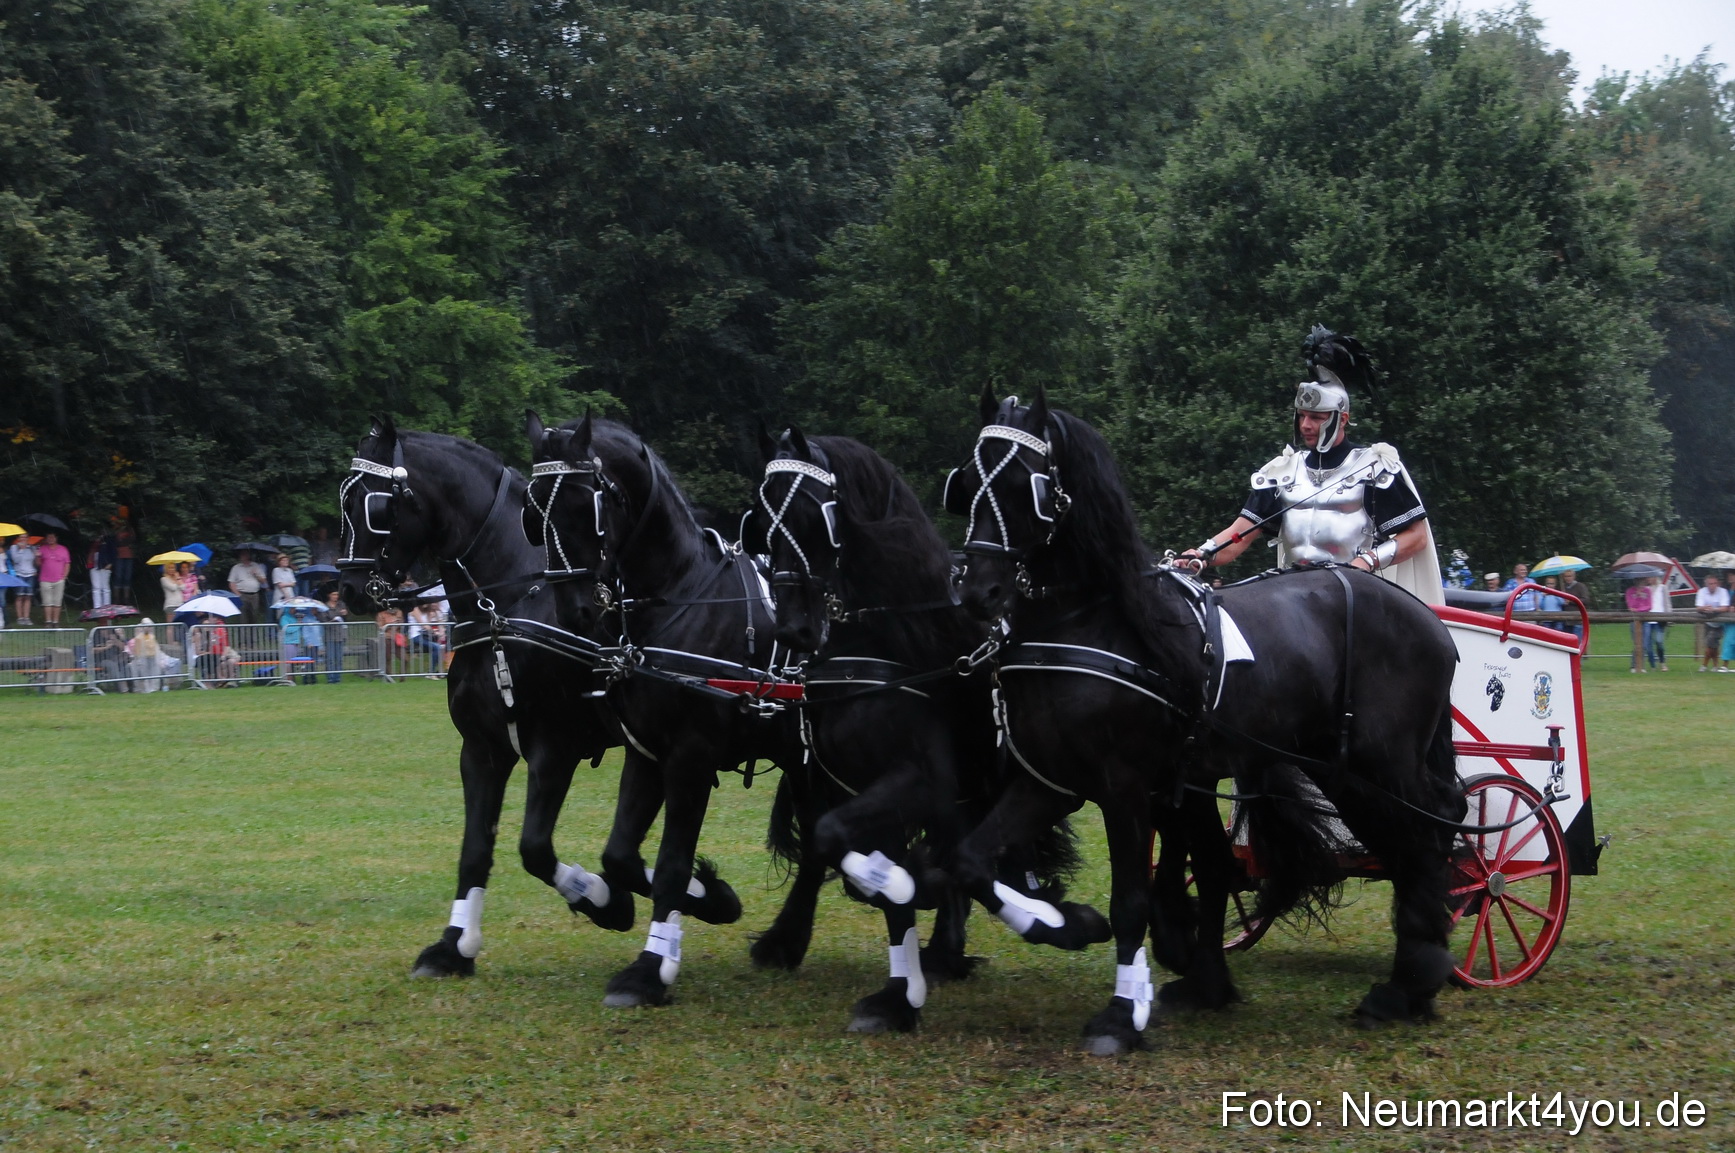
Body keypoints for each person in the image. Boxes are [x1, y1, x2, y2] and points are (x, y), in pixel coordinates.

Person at [1181, 327, 1441, 602]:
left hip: (1354, 595)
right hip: (1293, 597)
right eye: (1302, 416)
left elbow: (1416, 536)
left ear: (1341, 419)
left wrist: (1366, 562)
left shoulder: (1374, 469)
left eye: (1316, 417)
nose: (1305, 425)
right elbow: (1239, 535)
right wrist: (1202, 554)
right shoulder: (1281, 472)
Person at [1695, 574, 1730, 672]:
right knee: (1713, 645)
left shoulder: (1723, 592)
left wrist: (1714, 609)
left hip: (1720, 622)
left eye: (1714, 583)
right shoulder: (1702, 592)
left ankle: (1704, 665)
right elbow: (1698, 607)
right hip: (1708, 622)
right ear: (1706, 584)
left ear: (1717, 583)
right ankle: (1715, 665)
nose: (1713, 585)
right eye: (1710, 584)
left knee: (1710, 642)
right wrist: (1705, 608)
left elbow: (1725, 607)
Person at [35, 531, 70, 625]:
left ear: (56, 538)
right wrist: (37, 557)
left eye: (52, 537)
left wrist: (65, 576)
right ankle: (48, 622)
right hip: (45, 579)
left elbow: (67, 563)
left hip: (59, 579)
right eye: (48, 537)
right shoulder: (42, 549)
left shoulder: (63, 549)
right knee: (47, 602)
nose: (50, 539)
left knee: (57, 602)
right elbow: (38, 564)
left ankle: (56, 622)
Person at [228, 551, 266, 622]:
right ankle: (244, 632)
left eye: (246, 554)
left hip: (254, 595)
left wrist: (256, 574)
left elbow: (263, 581)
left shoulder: (256, 566)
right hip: (242, 594)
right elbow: (231, 583)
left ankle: (253, 632)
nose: (244, 556)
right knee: (243, 616)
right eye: (242, 555)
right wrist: (238, 594)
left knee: (254, 615)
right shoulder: (236, 568)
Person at [319, 589, 348, 683]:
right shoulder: (324, 606)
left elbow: (345, 619)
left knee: (339, 658)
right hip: (330, 635)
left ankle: (338, 678)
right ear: (329, 595)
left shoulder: (341, 604)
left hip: (340, 635)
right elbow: (323, 620)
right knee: (330, 658)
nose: (336, 596)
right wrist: (334, 619)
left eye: (337, 595)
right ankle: (330, 678)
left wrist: (345, 614)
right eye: (334, 594)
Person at [1643, 574, 1671, 672]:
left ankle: (1662, 662)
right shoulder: (1646, 589)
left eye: (1650, 576)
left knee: (1659, 641)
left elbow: (1667, 603)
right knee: (1648, 644)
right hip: (1648, 619)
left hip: (1660, 618)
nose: (1648, 578)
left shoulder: (1662, 588)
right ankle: (1652, 665)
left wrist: (1669, 617)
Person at [7, 534, 37, 625]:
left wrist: (37, 556)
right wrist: (21, 549)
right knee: (19, 596)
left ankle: (26, 617)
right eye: (21, 537)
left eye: (25, 537)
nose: (23, 539)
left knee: (28, 596)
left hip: (30, 574)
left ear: (28, 538)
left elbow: (34, 561)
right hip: (19, 574)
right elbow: (16, 560)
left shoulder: (32, 548)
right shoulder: (14, 547)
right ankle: (20, 618)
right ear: (18, 538)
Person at [111, 517, 137, 604]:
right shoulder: (117, 530)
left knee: (127, 577)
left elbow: (133, 539)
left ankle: (126, 600)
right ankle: (116, 599)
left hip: (129, 555)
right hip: (119, 555)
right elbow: (116, 541)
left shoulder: (130, 530)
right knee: (118, 577)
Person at [87, 532, 115, 609]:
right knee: (96, 587)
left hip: (105, 564)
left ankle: (106, 607)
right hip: (93, 564)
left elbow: (113, 552)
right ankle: (97, 607)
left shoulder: (108, 539)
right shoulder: (91, 539)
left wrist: (111, 563)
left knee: (105, 587)